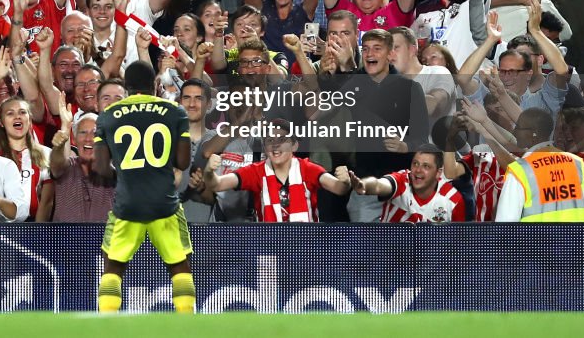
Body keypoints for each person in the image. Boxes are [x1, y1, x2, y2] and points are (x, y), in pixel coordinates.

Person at [92, 61, 194, 313]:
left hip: (127, 203)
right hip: (165, 203)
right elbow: (182, 161)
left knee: (113, 266)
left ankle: (107, 328)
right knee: (179, 265)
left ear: (126, 87)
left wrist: (127, 172)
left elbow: (102, 169)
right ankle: (187, 326)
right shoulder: (175, 111)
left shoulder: (107, 116)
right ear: (155, 85)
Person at [204, 119, 352, 222]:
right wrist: (209, 172)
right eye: (270, 140)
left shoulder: (307, 169)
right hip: (268, 249)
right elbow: (217, 185)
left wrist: (345, 181)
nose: (275, 145)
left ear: (294, 146)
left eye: (282, 140)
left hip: (305, 247)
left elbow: (339, 188)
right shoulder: (256, 171)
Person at [495, 107, 584, 221]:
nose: (514, 132)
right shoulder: (577, 164)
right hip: (574, 238)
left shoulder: (520, 171)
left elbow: (505, 224)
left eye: (518, 127)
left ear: (533, 133)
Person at [349, 144, 466, 222]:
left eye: (426, 166)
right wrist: (364, 185)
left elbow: (456, 242)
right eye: (415, 164)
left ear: (438, 173)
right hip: (389, 252)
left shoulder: (453, 200)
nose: (418, 170)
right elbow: (380, 185)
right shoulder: (402, 180)